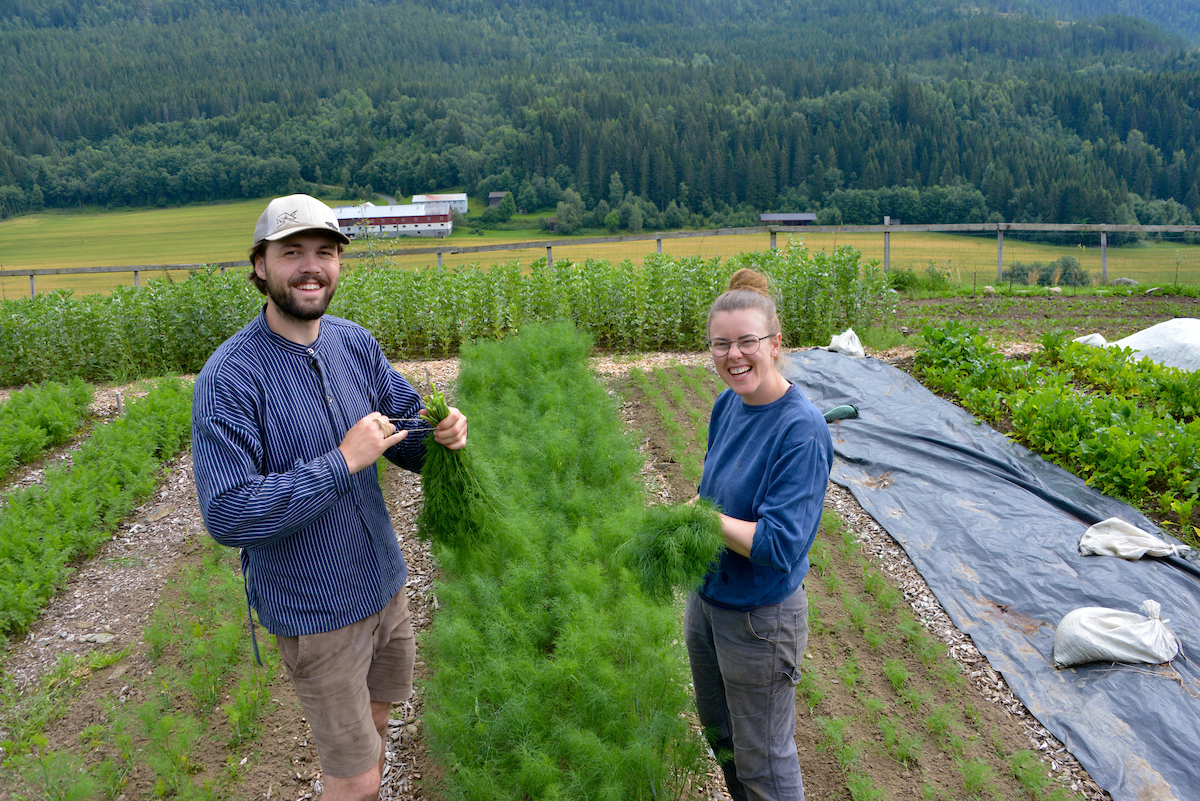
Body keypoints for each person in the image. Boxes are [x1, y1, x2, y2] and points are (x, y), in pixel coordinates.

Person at [191, 194, 468, 801]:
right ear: (260, 265)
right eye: (292, 253)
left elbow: (407, 434)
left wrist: (444, 435)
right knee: (356, 780)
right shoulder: (229, 377)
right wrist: (342, 462)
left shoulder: (353, 343)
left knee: (378, 723)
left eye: (325, 252)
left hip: (384, 585)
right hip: (318, 612)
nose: (311, 266)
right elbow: (229, 512)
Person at [684, 268, 833, 801]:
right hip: (709, 600)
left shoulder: (801, 429)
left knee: (763, 759)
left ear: (774, 343)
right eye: (721, 344)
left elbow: (778, 544)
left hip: (759, 619)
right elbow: (714, 490)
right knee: (722, 738)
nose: (734, 355)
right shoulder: (727, 405)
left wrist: (704, 520)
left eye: (747, 341)